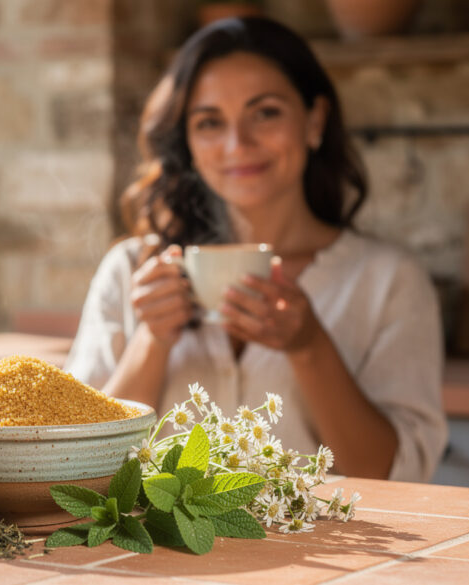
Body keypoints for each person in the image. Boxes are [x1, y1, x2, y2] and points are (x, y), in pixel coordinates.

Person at [65, 17, 447, 482]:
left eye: (264, 113)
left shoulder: (388, 282)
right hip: (153, 556)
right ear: (187, 141)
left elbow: (398, 479)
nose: (237, 144)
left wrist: (309, 347)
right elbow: (72, 466)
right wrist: (152, 340)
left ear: (315, 120)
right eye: (209, 122)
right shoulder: (129, 272)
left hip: (335, 555)